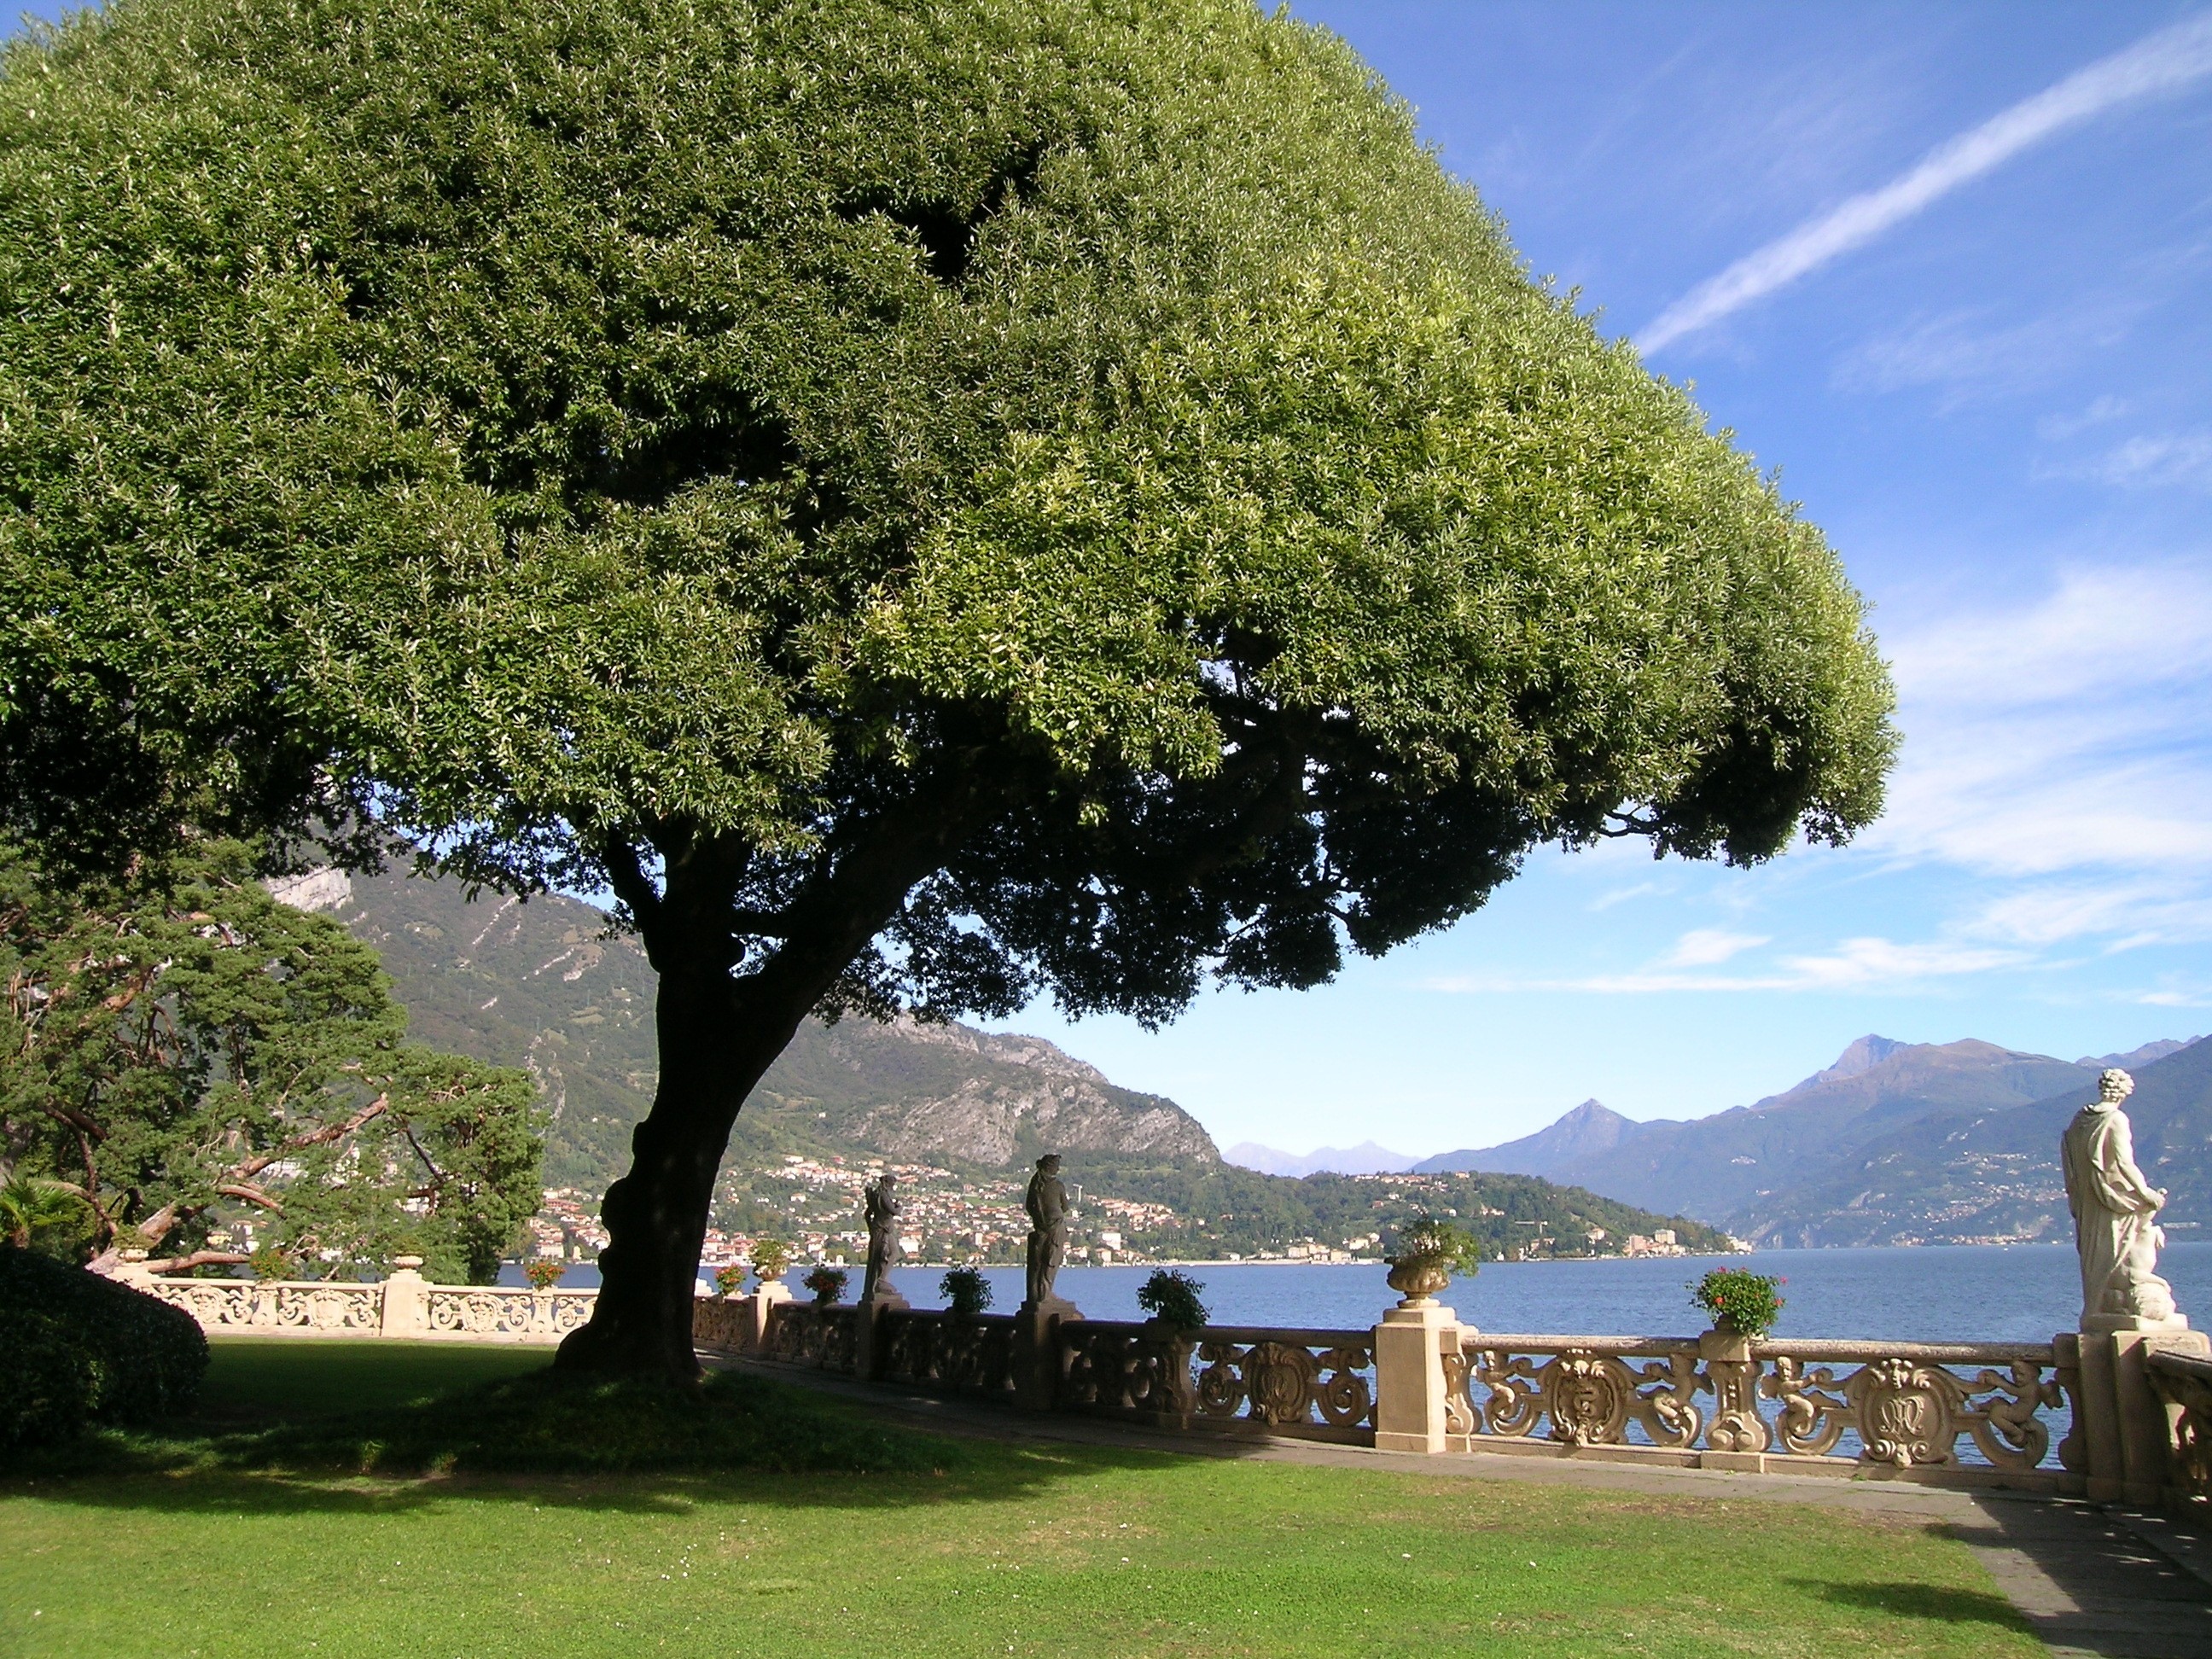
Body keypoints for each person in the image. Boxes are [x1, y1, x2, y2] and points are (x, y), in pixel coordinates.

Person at [2061, 1068, 2180, 1329]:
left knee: (2096, 1254)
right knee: (2119, 1246)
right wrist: (2145, 1192)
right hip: (2112, 1200)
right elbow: (2124, 1163)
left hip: (2088, 1203)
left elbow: (2069, 1163)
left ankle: (2096, 1308)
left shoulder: (2079, 1122)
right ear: (2122, 1091)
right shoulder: (2115, 1119)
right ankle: (2109, 1305)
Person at [1024, 1154, 1070, 1307]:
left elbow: (1029, 1206)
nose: (1058, 1168)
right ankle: (1045, 1294)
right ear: (1051, 1167)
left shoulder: (1035, 1183)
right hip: (1056, 1226)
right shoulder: (1058, 1186)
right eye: (1057, 1165)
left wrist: (1040, 1220)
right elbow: (1065, 1207)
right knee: (1051, 1260)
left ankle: (1037, 1295)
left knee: (1038, 1262)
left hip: (1040, 1227)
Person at [860, 1172, 900, 1305]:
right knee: (891, 1254)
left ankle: (880, 1281)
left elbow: (867, 1214)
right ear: (887, 1183)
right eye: (892, 1184)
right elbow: (894, 1211)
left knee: (884, 1256)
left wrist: (871, 1228)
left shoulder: (877, 1195)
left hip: (881, 1228)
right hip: (884, 1229)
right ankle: (881, 1280)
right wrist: (899, 1206)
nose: (893, 1186)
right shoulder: (882, 1195)